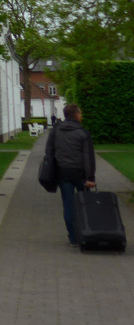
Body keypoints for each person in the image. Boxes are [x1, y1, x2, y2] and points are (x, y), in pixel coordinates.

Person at [45, 103, 97, 247]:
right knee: (84, 204)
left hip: (63, 173)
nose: (82, 115)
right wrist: (90, 177)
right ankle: (87, 234)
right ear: (76, 115)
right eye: (80, 113)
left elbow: (49, 152)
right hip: (80, 174)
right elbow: (88, 157)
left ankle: (73, 238)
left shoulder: (56, 131)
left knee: (68, 205)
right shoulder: (83, 133)